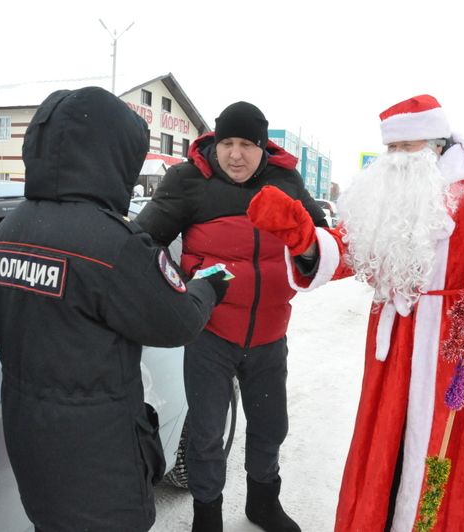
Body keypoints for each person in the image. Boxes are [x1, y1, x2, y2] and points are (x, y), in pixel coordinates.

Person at [247, 95, 464, 531]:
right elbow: (351, 246)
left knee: (449, 466)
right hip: (395, 348)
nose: (395, 159)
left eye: (405, 148)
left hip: (457, 347)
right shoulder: (390, 193)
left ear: (436, 145)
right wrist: (305, 239)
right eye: (391, 149)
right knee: (384, 455)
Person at [0, 86, 229, 532]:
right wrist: (208, 287)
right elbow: (178, 322)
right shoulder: (112, 245)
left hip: (28, 436)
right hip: (98, 453)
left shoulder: (6, 232)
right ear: (111, 156)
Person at [135, 101, 328, 532]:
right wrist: (173, 291)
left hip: (269, 335)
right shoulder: (187, 181)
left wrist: (310, 246)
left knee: (270, 426)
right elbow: (142, 245)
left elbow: (322, 242)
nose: (234, 155)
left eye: (246, 145)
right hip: (209, 335)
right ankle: (208, 515)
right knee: (205, 435)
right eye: (227, 143)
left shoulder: (286, 181)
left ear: (264, 148)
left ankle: (263, 503)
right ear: (214, 143)